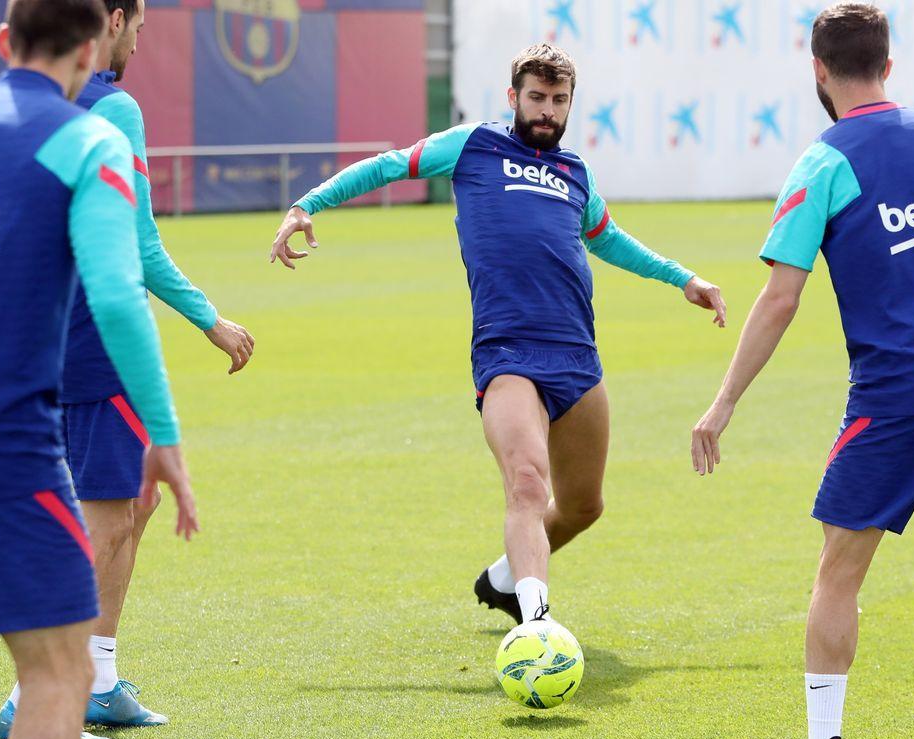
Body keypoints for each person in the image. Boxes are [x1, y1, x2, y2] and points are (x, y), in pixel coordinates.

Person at [689, 5, 914, 739]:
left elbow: (780, 298)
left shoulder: (822, 162)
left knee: (839, 571)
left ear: (818, 70)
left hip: (898, 393)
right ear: (888, 65)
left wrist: (722, 403)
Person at [270, 42, 726, 627]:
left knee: (584, 505)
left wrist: (682, 278)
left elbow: (608, 238)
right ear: (513, 97)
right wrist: (307, 204)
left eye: (559, 101)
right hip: (507, 352)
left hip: (578, 358)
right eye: (536, 98)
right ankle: (538, 622)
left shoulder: (575, 173)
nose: (547, 112)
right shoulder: (472, 146)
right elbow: (386, 165)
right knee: (528, 483)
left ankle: (506, 580)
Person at [0, 1, 253, 738]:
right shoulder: (117, 108)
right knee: (101, 524)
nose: (141, 37)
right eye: (137, 21)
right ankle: (36, 698)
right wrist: (210, 318)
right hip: (97, 346)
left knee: (132, 506)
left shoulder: (15, 109)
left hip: (35, 344)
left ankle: (98, 677)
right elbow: (136, 246)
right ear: (110, 19)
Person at [0, 1, 198, 739]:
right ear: (93, 50)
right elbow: (119, 298)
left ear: (3, 41)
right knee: (59, 671)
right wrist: (164, 433)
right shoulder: (93, 139)